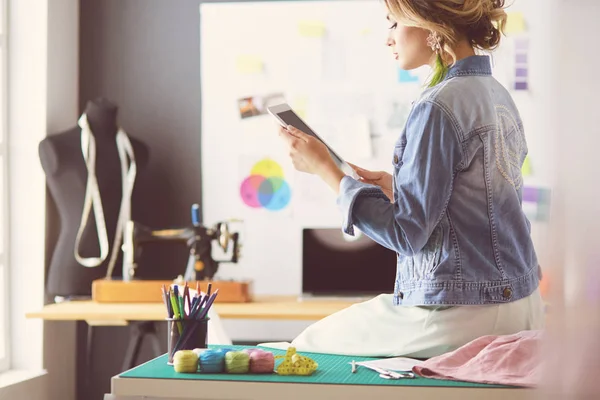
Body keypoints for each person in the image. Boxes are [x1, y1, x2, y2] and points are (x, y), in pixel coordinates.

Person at [272, 0, 545, 358]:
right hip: (524, 303)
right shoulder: (495, 92)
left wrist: (328, 172)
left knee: (307, 347)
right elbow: (482, 198)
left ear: (431, 25)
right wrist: (397, 185)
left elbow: (406, 233)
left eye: (393, 23)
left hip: (466, 311)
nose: (389, 39)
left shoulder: (438, 105)